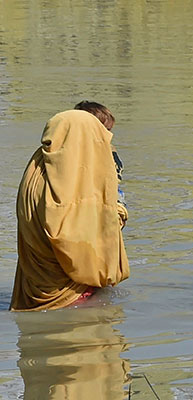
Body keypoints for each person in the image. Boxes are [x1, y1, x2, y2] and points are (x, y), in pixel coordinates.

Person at [10, 110, 130, 311]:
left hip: (33, 288)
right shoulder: (74, 180)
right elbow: (73, 238)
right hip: (72, 295)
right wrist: (118, 212)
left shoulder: (36, 170)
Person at [74, 100, 128, 228]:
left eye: (109, 130)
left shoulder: (108, 152)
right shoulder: (70, 153)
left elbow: (113, 188)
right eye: (104, 130)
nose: (109, 135)